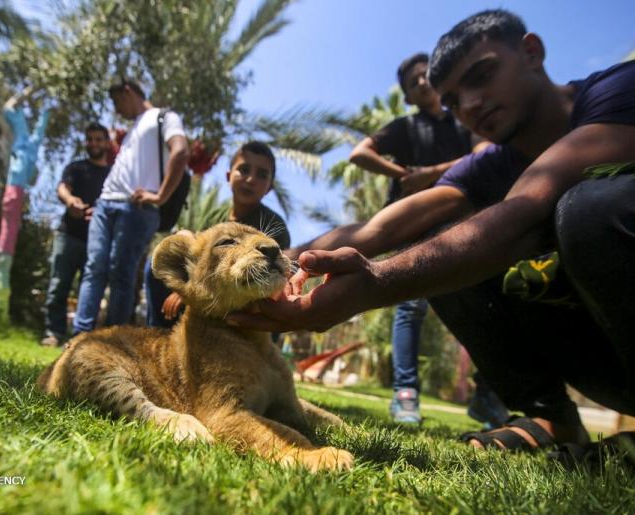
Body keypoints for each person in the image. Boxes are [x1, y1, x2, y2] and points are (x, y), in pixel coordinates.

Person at [228, 9, 635, 457]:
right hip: (605, 360)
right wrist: (271, 263)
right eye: (455, 101)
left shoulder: (617, 92)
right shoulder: (493, 162)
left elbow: (524, 215)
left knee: (589, 210)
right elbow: (385, 226)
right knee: (439, 242)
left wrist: (371, 287)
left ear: (531, 52)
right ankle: (550, 416)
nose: (471, 105)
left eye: (482, 76)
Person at [347, 52, 484, 424]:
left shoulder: (464, 119)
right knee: (410, 305)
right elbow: (359, 153)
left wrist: (434, 173)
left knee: (485, 300)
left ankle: (488, 394)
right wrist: (405, 175)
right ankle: (405, 395)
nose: (422, 82)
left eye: (426, 75)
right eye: (413, 82)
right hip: (413, 225)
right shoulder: (406, 128)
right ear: (407, 95)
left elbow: (484, 152)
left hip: (464, 220)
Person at [72, 80, 189, 335]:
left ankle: (110, 340)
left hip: (136, 209)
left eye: (116, 102)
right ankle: (79, 336)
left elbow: (180, 152)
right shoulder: (133, 129)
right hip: (105, 205)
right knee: (94, 267)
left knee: (121, 272)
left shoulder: (163, 117)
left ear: (128, 92)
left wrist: (159, 196)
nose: (116, 110)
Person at [145, 141, 290, 328]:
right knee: (153, 268)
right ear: (228, 176)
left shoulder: (273, 223)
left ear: (269, 187)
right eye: (244, 170)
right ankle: (158, 331)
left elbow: (276, 272)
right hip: (212, 296)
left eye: (261, 175)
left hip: (251, 299)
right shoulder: (215, 216)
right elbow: (197, 254)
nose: (251, 179)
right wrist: (184, 288)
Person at [40, 123, 111, 347]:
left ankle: (79, 338)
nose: (94, 143)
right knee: (58, 285)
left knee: (88, 289)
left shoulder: (112, 175)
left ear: (107, 143)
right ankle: (53, 333)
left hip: (96, 240)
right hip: (68, 235)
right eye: (90, 139)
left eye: (98, 139)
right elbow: (62, 188)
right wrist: (71, 202)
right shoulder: (76, 168)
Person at [0, 87, 49, 308]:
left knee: (10, 230)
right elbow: (9, 109)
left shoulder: (28, 143)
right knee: (8, 232)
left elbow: (40, 129)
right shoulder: (22, 140)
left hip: (17, 192)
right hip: (14, 190)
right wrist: (30, 92)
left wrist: (46, 107)